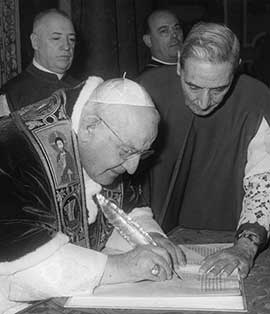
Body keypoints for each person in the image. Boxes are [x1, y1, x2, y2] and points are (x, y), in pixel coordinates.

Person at [0, 76, 185, 314]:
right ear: (89, 126)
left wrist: (150, 238)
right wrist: (122, 267)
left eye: (142, 153)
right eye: (127, 151)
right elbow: (22, 270)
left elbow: (124, 210)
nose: (132, 168)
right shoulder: (14, 150)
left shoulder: (111, 140)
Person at [138, 22, 270, 279]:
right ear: (178, 64)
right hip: (153, 232)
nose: (204, 101)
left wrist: (245, 246)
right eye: (194, 86)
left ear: (237, 68)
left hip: (231, 233)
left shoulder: (257, 99)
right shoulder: (145, 89)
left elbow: (263, 181)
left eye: (219, 89)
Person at [0, 8, 79, 115]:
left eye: (71, 39)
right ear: (35, 42)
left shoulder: (83, 89)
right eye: (56, 38)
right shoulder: (10, 96)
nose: (66, 46)